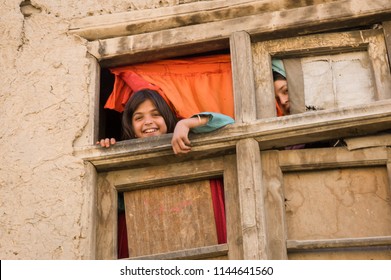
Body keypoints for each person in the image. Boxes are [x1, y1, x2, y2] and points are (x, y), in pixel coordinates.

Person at [97, 89, 234, 154]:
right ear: (131, 129)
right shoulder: (128, 154)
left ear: (167, 119)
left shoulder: (183, 139)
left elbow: (228, 121)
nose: (148, 122)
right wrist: (108, 149)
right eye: (139, 118)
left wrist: (184, 124)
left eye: (155, 115)